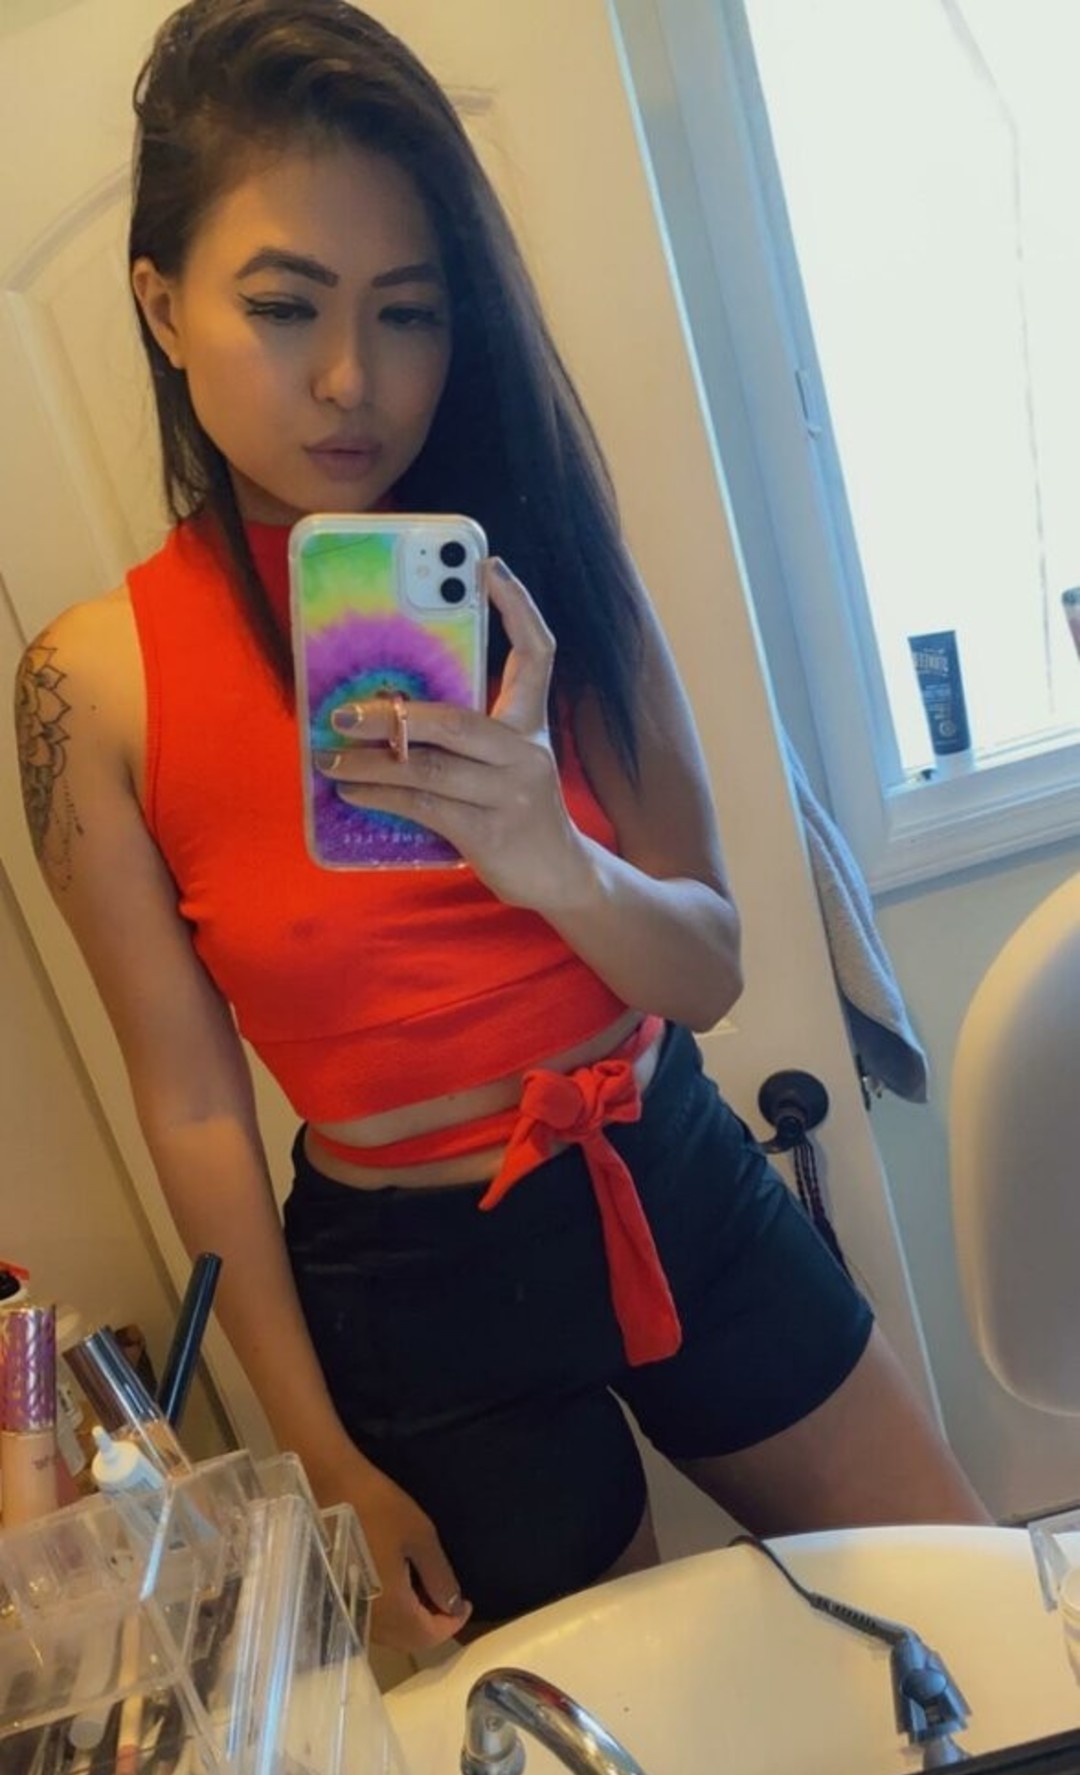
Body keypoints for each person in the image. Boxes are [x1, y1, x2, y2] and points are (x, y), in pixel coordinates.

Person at [13, 0, 987, 1656]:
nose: (353, 380)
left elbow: (708, 970)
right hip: (413, 1290)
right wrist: (322, 1458)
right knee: (605, 1747)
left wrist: (554, 859)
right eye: (284, 305)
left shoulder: (540, 566)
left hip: (663, 1164)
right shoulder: (92, 689)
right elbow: (191, 1103)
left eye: (409, 312)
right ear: (161, 304)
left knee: (970, 1619)